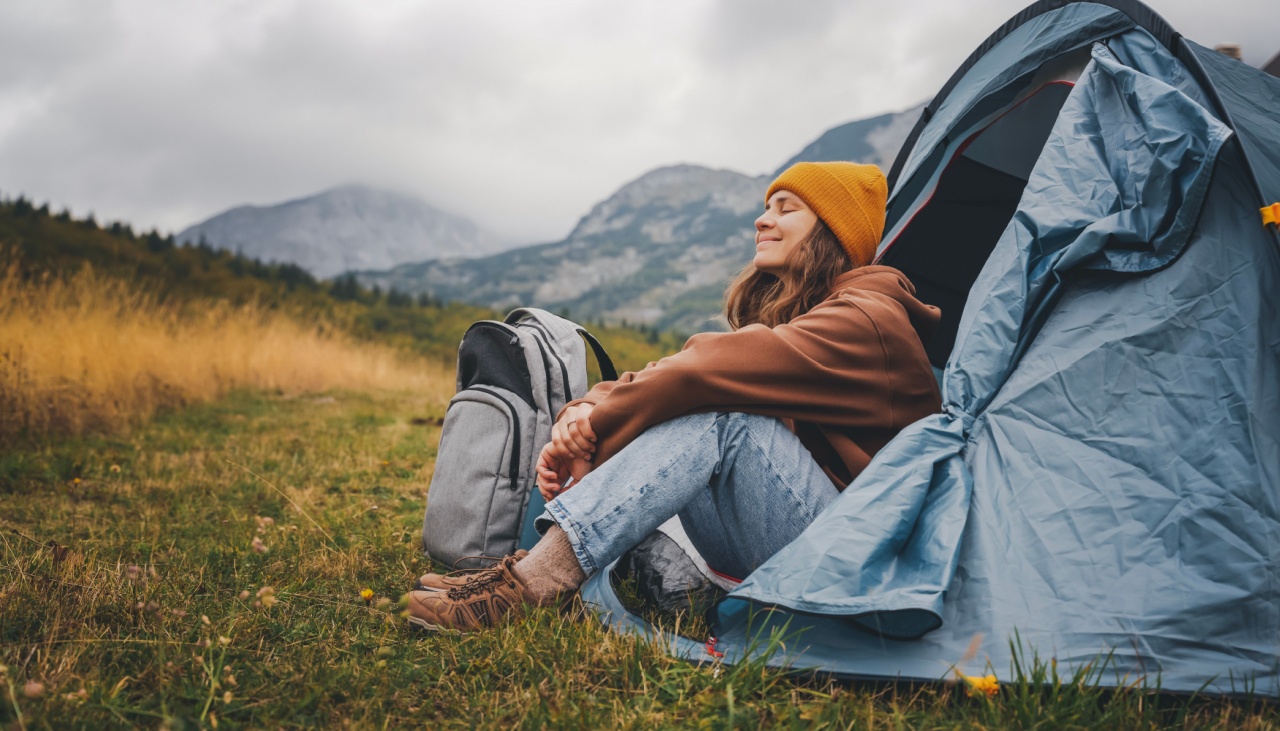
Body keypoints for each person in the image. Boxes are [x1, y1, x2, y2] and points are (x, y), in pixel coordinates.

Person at [407, 161, 942, 632]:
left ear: (833, 232)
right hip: (796, 547)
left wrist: (594, 424)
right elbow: (693, 372)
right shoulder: (817, 317)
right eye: (766, 207)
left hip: (858, 572)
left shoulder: (867, 320)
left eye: (787, 208)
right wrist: (588, 407)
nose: (762, 219)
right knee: (708, 406)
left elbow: (705, 370)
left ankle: (535, 580)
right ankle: (537, 566)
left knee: (724, 417)